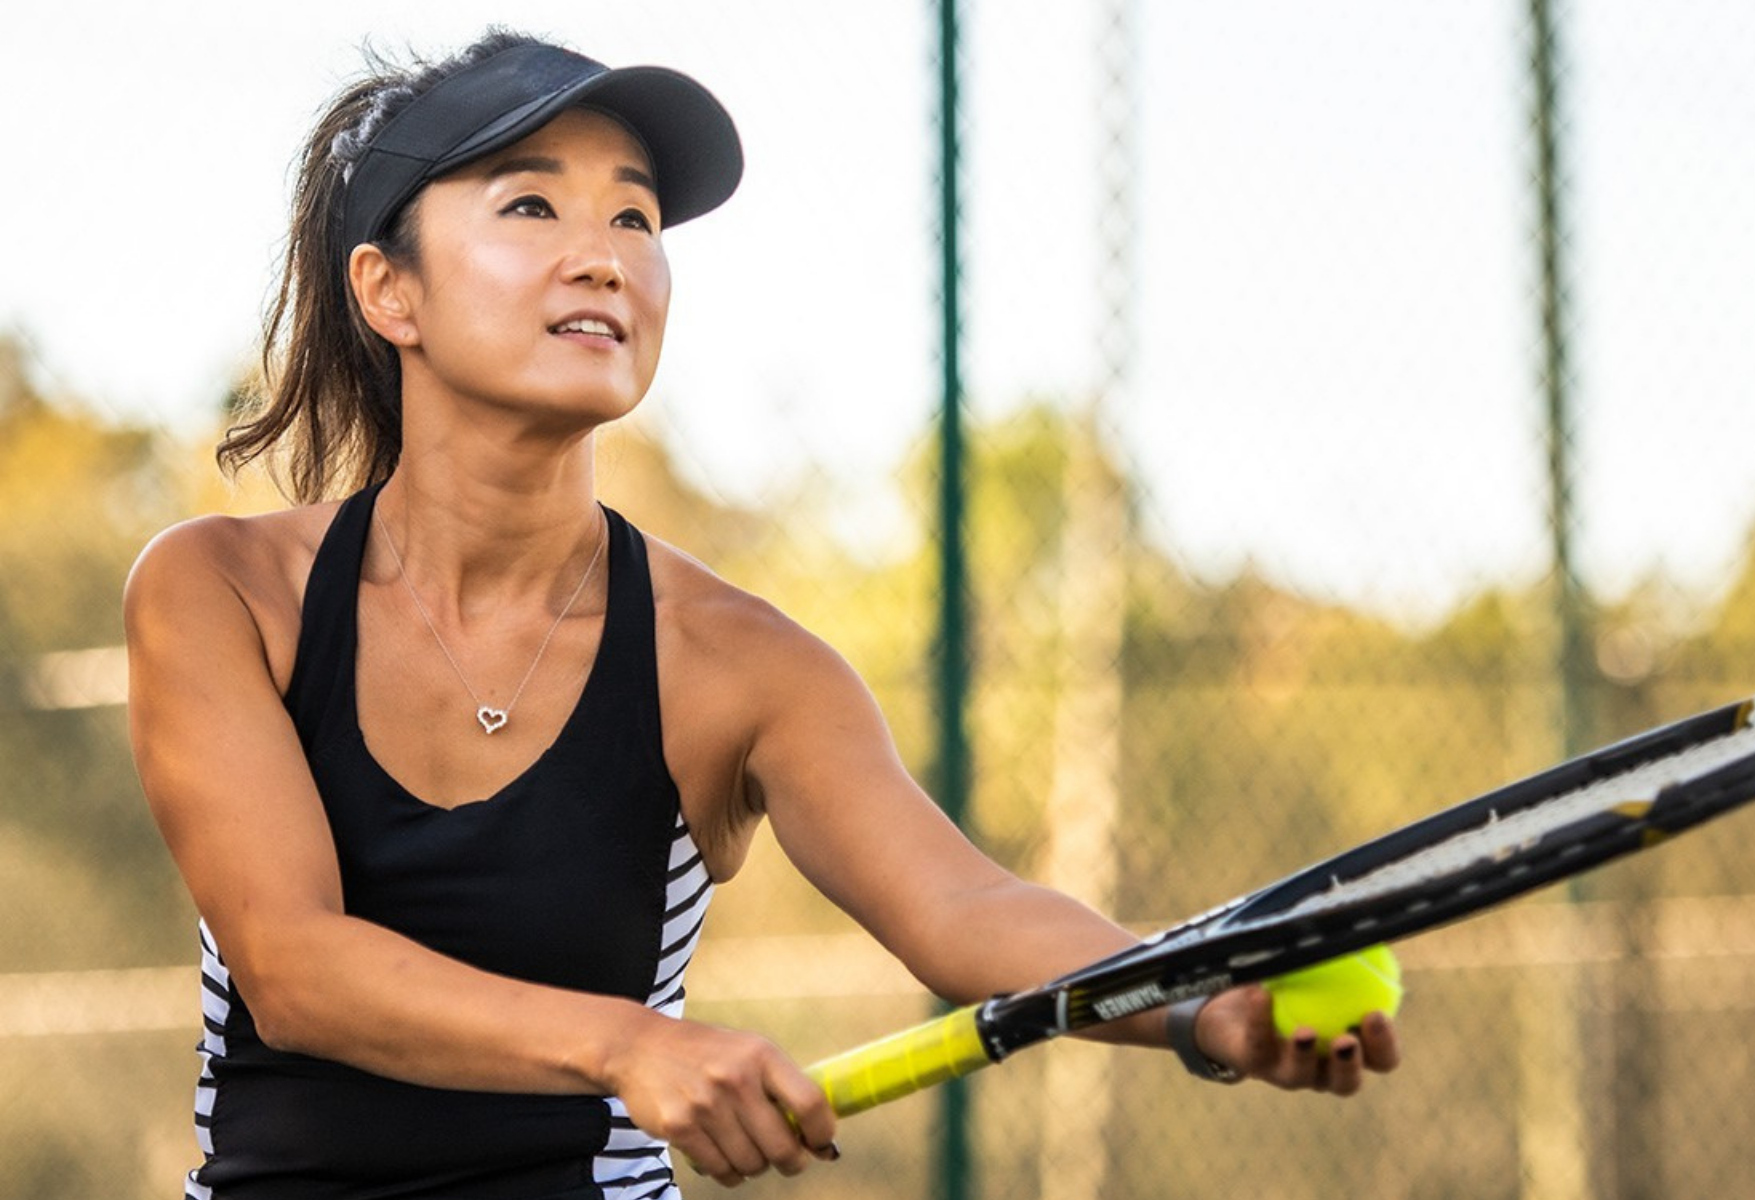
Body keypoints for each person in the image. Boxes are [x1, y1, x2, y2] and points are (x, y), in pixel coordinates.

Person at [124, 30, 1401, 1200]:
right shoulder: (221, 593)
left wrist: (1193, 1001)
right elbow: (293, 967)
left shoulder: (741, 663)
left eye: (635, 216)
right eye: (532, 205)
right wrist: (630, 1046)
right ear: (387, 291)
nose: (604, 253)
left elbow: (962, 909)